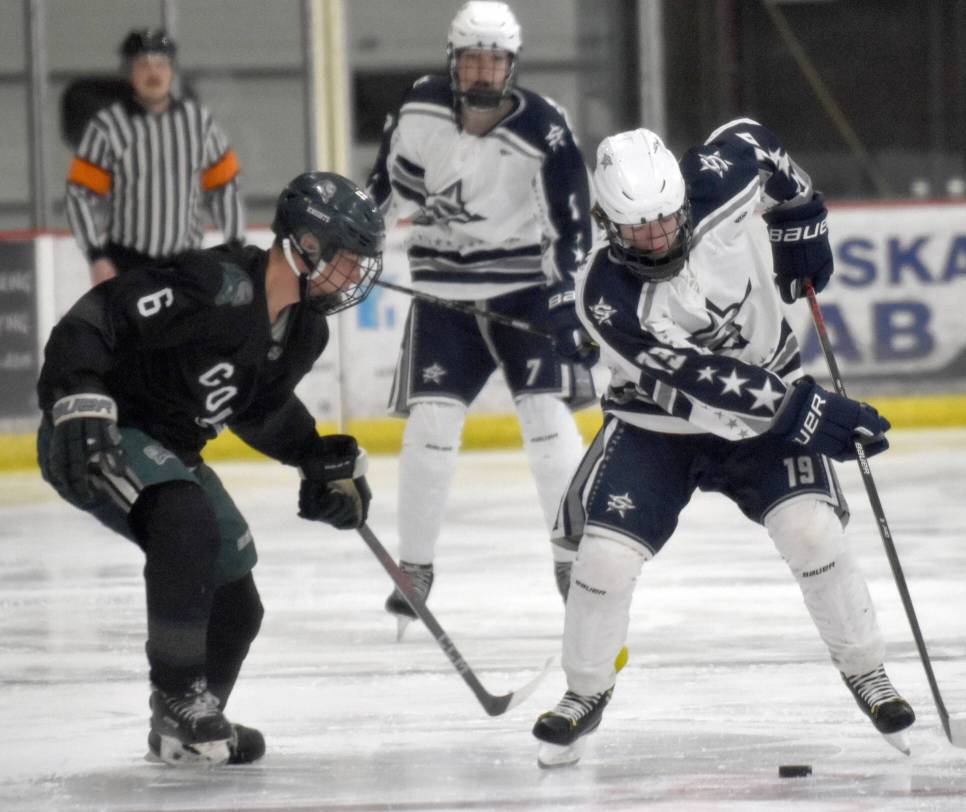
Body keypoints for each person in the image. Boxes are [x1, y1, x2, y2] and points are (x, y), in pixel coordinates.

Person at [531, 124, 916, 768]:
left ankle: (868, 672)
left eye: (664, 219)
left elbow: (755, 139)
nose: (656, 238)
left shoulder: (722, 178)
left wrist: (802, 215)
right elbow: (698, 377)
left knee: (814, 535)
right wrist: (804, 408)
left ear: (684, 197)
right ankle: (585, 691)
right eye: (636, 229)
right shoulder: (606, 295)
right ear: (607, 222)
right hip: (659, 427)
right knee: (603, 562)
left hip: (766, 419)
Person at [37, 171, 383, 767]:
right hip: (101, 428)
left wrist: (313, 456)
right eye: (347, 258)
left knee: (239, 604)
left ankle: (187, 733)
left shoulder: (306, 331)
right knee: (186, 519)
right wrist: (75, 395)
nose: (354, 275)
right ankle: (178, 697)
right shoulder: (217, 285)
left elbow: (256, 408)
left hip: (170, 449)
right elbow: (100, 316)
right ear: (303, 244)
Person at [366, 1, 597, 637]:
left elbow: (573, 225)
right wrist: (353, 246)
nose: (482, 71)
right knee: (431, 425)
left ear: (512, 64)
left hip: (523, 289)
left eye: (493, 59)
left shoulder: (544, 128)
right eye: (471, 58)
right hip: (445, 293)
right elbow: (386, 190)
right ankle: (414, 568)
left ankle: (570, 562)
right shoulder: (418, 110)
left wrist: (563, 294)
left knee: (548, 426)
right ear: (453, 61)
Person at [66, 29, 245, 286]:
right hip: (126, 263)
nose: (153, 72)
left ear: (172, 71)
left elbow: (225, 186)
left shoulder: (199, 124)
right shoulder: (108, 127)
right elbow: (80, 193)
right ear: (130, 72)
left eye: (161, 64)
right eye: (143, 64)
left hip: (185, 264)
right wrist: (96, 255)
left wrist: (235, 248)